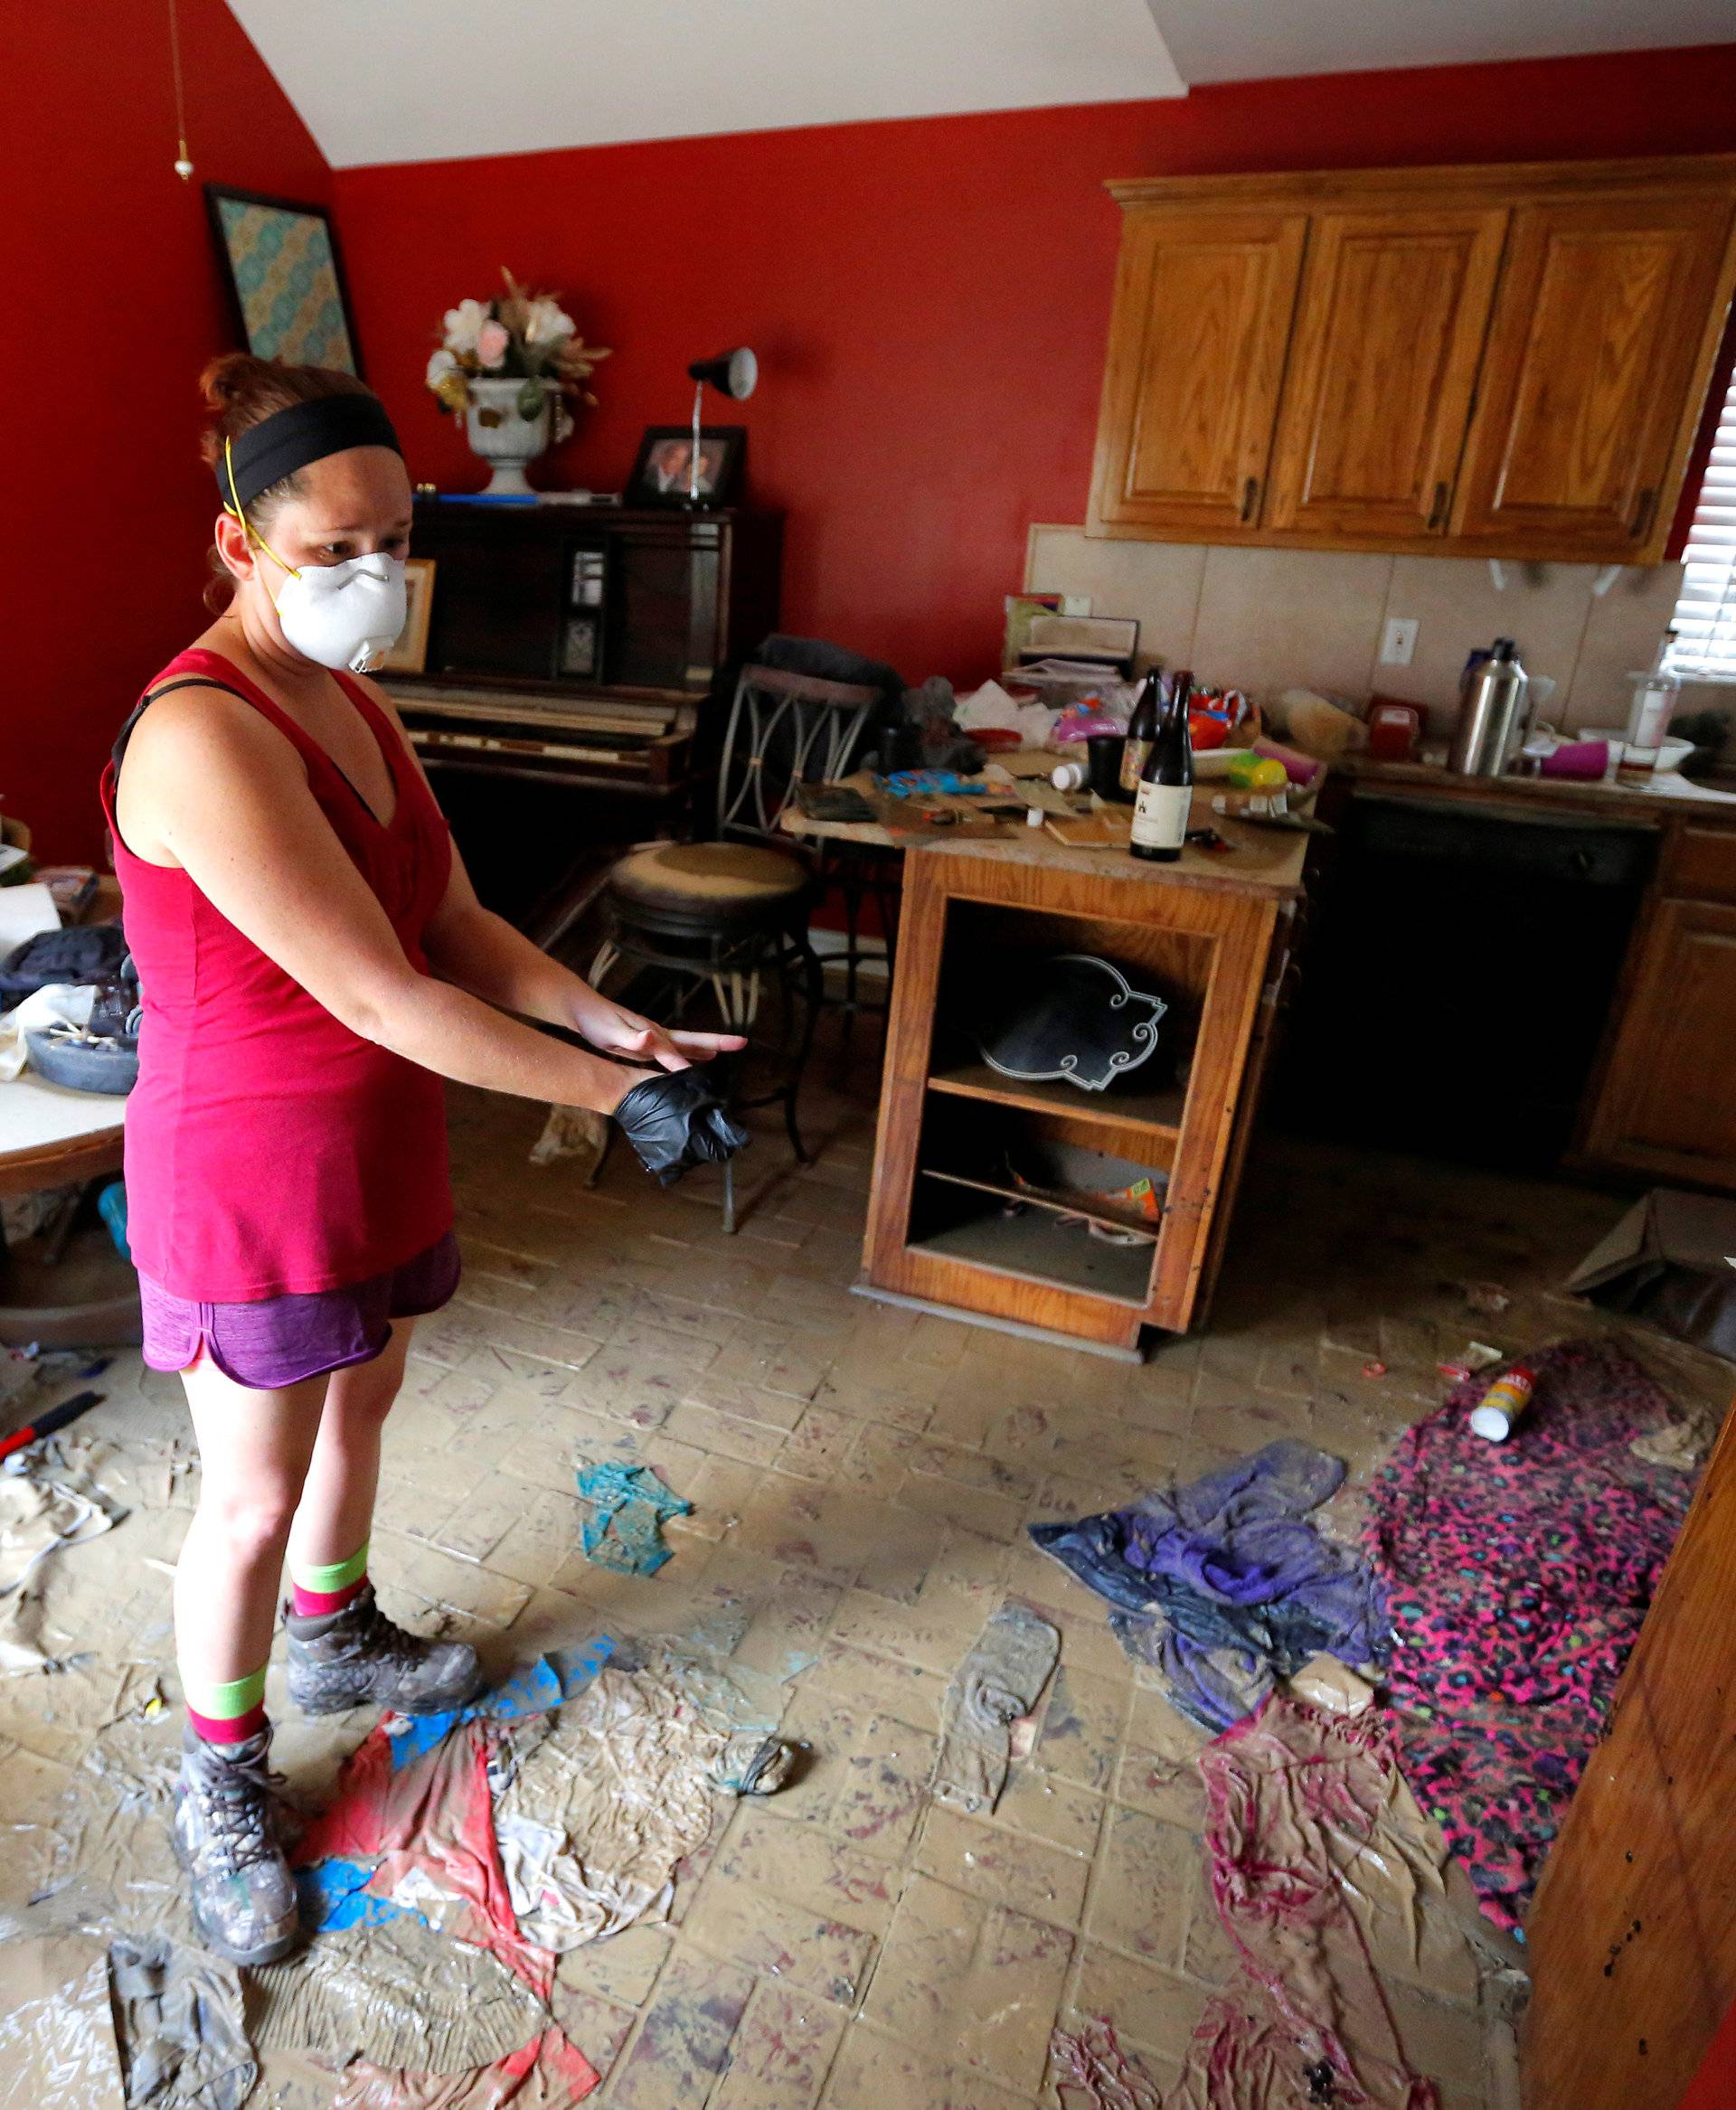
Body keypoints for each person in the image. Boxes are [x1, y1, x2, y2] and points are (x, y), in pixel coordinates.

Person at [103, 354, 749, 1966]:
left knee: (364, 1398)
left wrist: (618, 1036)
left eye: (398, 533)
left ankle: (338, 1637)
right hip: (249, 1166)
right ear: (241, 540)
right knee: (246, 1493)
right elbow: (381, 987)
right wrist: (604, 1111)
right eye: (336, 547)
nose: (378, 572)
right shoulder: (201, 730)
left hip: (377, 1126)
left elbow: (452, 924)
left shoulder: (356, 695)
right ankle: (221, 1776)